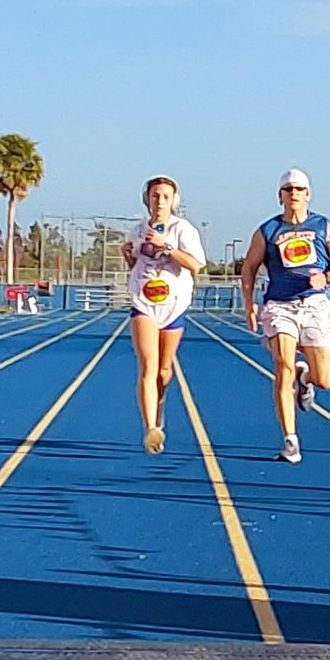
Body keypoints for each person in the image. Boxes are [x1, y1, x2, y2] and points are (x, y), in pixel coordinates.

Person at [240, 168, 330, 463]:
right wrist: (249, 304)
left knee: (325, 380)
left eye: (299, 189)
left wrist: (326, 278)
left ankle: (307, 378)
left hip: (314, 304)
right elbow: (249, 268)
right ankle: (290, 440)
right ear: (280, 196)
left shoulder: (323, 226)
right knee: (283, 366)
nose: (293, 194)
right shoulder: (267, 231)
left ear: (308, 194)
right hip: (280, 305)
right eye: (288, 189)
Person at [122, 175, 206, 454]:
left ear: (174, 201)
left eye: (165, 196)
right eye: (155, 195)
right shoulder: (136, 230)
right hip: (143, 303)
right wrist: (128, 256)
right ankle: (150, 429)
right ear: (146, 198)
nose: (159, 201)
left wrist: (167, 245)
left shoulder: (183, 229)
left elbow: (196, 265)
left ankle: (158, 404)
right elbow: (136, 263)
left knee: (163, 370)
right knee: (147, 365)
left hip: (174, 304)